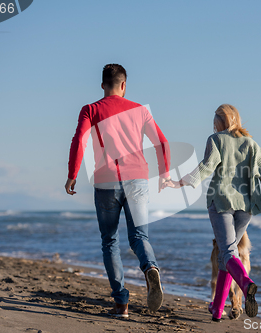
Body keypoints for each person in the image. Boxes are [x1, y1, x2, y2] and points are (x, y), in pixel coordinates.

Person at [165, 104, 261, 322]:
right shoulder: (251, 144)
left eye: (214, 121)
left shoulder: (215, 140)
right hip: (246, 207)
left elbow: (207, 166)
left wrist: (181, 182)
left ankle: (245, 283)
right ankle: (217, 309)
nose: (213, 125)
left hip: (221, 202)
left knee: (227, 252)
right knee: (228, 254)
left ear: (220, 121)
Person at [65, 64, 171, 318]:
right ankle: (150, 268)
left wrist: (72, 174)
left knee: (110, 240)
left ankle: (121, 303)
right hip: (137, 180)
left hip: (106, 182)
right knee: (139, 238)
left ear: (102, 85)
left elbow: (79, 140)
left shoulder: (90, 109)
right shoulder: (140, 110)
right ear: (124, 85)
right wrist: (165, 174)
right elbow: (162, 142)